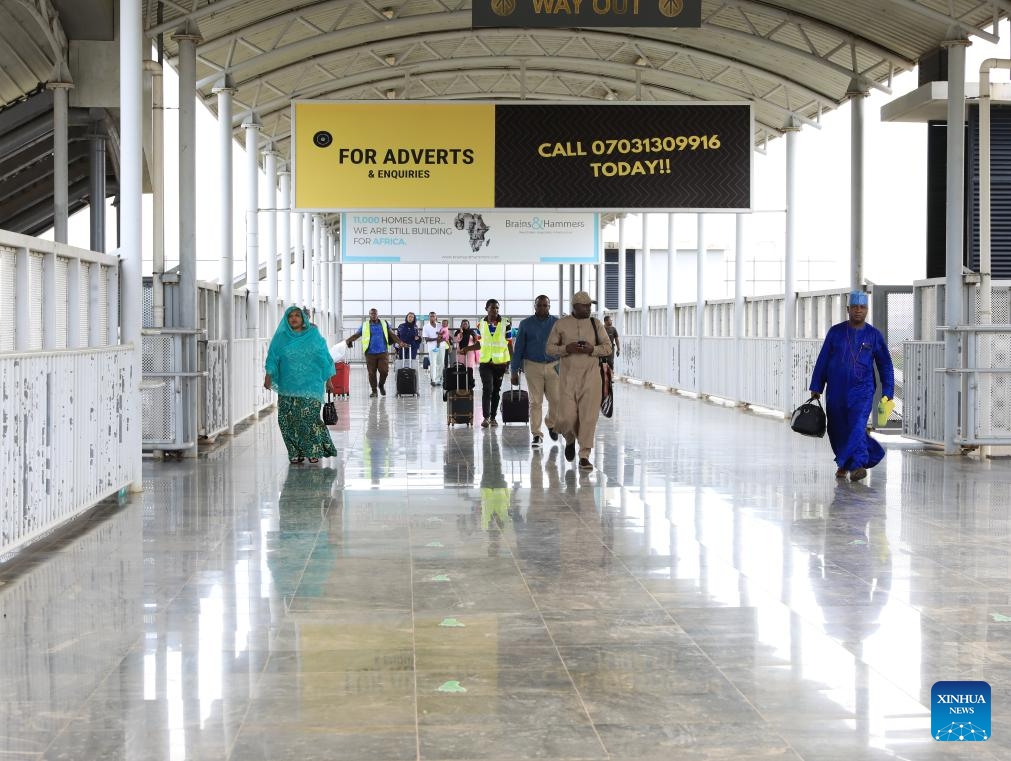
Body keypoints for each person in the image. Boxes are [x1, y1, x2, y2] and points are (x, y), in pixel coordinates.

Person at [809, 291, 895, 481]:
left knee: (857, 426)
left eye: (862, 307)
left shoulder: (874, 335)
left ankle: (857, 465)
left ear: (867, 310)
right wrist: (816, 386)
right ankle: (844, 462)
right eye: (854, 307)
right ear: (848, 309)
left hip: (862, 390)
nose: (858, 311)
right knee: (837, 428)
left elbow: (886, 365)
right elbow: (823, 360)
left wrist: (888, 392)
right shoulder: (835, 332)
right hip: (836, 390)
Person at [263, 306, 338, 464]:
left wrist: (329, 381)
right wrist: (268, 376)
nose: (294, 318)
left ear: (304, 318)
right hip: (287, 385)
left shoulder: (313, 335)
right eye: (290, 316)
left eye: (297, 315)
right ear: (286, 319)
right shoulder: (281, 337)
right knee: (286, 419)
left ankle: (313, 449)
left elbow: (324, 358)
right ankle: (294, 452)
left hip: (311, 385)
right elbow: (272, 357)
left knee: (308, 418)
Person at [546, 291, 612, 470]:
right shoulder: (561, 324)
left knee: (588, 418)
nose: (589, 309)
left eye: (590, 306)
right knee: (567, 417)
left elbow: (607, 347)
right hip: (567, 379)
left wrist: (593, 349)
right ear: (575, 306)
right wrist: (566, 348)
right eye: (585, 306)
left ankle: (584, 455)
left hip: (591, 378)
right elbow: (550, 349)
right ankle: (569, 439)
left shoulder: (596, 323)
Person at [510, 295, 560, 448]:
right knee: (535, 402)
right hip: (532, 366)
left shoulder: (557, 323)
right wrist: (514, 371)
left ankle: (551, 423)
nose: (542, 308)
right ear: (535, 306)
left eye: (545, 305)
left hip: (554, 365)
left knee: (556, 400)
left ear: (549, 307)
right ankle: (537, 434)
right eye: (539, 305)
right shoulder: (526, 324)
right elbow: (518, 349)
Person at [344, 307, 404, 397]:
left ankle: (381, 385)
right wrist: (348, 340)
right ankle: (374, 391)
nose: (373, 315)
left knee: (384, 371)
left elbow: (392, 334)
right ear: (369, 315)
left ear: (377, 314)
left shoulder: (384, 323)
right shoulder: (365, 325)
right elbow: (357, 334)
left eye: (375, 313)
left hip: (383, 352)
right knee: (371, 373)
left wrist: (400, 342)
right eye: (371, 314)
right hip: (370, 353)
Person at [477, 298, 512, 428]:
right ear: (486, 309)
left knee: (496, 390)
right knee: (488, 388)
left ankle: (493, 417)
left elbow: (509, 343)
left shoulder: (505, 323)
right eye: (492, 308)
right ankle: (485, 417)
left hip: (500, 363)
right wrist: (466, 349)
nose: (495, 310)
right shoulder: (480, 324)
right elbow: (479, 343)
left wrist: (512, 362)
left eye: (497, 308)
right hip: (485, 362)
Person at [453, 319, 480, 389]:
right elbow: (456, 340)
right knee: (461, 366)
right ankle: (462, 382)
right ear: (461, 325)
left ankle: (470, 382)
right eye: (463, 324)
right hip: (461, 351)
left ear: (468, 325)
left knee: (470, 367)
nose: (465, 325)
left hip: (470, 351)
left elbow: (476, 342)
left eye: (466, 324)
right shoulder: (458, 332)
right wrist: (461, 333)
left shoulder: (472, 332)